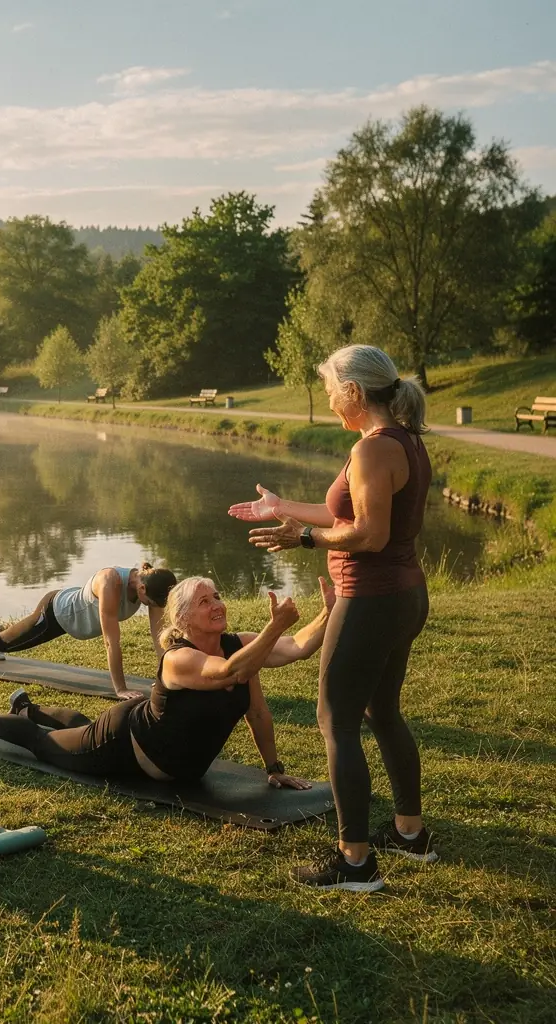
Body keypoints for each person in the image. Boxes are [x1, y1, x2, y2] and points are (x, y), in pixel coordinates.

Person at [231, 344, 436, 893]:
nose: (326, 399)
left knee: (335, 719)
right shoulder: (401, 442)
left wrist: (302, 538)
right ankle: (411, 835)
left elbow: (368, 533)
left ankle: (355, 862)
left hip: (371, 598)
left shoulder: (373, 451)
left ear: (353, 392)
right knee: (382, 711)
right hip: (403, 595)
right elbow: (345, 513)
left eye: (328, 389)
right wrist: (285, 508)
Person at [0, 575, 334, 793]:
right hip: (123, 744)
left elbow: (294, 652)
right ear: (183, 618)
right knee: (42, 743)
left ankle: (28, 708)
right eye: (204, 601)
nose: (217, 604)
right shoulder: (179, 658)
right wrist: (275, 625)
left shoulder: (242, 645)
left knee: (78, 728)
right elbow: (228, 673)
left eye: (217, 596)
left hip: (157, 746)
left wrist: (330, 610)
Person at [0, 563, 177, 699]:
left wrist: (165, 678)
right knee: (2, 642)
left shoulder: (151, 587)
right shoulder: (111, 583)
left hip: (72, 607)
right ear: (143, 588)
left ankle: (1, 633)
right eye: (151, 604)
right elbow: (111, 641)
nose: (151, 608)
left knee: (5, 639)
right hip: (57, 613)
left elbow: (159, 638)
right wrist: (121, 689)